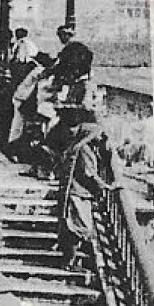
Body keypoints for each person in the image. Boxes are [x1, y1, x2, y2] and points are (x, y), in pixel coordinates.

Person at [55, 108, 115, 270]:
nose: (101, 139)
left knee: (74, 226)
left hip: (74, 191)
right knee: (80, 227)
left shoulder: (76, 147)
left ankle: (70, 261)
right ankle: (70, 262)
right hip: (78, 193)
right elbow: (89, 173)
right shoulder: (84, 150)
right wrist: (105, 186)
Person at [50, 25, 94, 108]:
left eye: (61, 36)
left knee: (72, 105)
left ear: (67, 35)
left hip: (77, 81)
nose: (60, 38)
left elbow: (64, 65)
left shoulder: (71, 49)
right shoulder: (79, 47)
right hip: (80, 79)